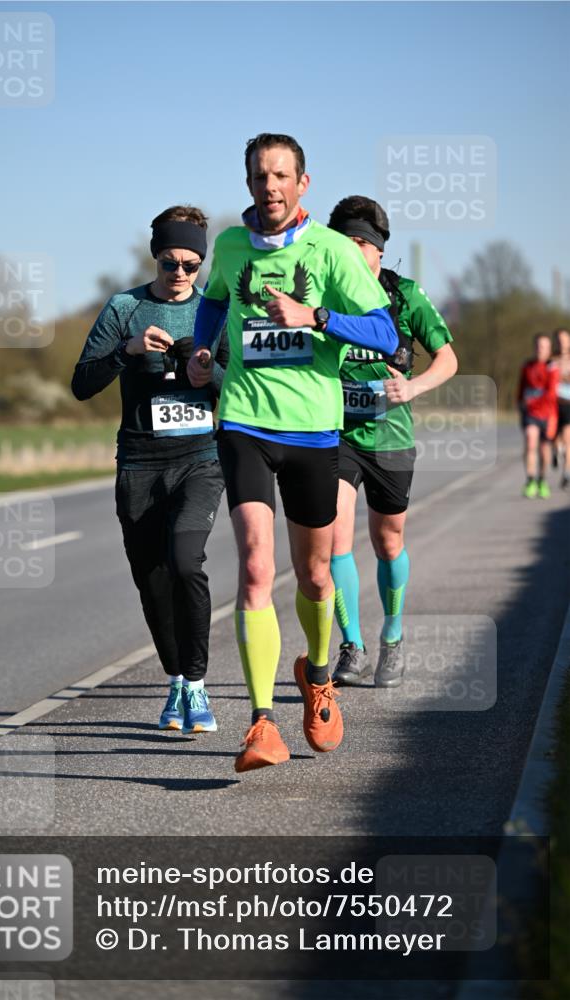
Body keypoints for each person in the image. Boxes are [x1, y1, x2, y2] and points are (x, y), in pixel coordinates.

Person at [187, 134, 399, 772]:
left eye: (281, 175)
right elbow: (215, 300)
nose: (270, 187)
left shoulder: (334, 252)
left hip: (313, 432)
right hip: (246, 422)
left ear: (303, 182)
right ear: (248, 183)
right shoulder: (228, 246)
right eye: (259, 177)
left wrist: (317, 318)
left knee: (313, 577)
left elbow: (385, 333)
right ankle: (260, 723)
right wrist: (203, 351)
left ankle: (318, 673)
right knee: (255, 567)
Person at [71, 205, 228, 734]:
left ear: (202, 263)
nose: (180, 273)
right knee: (152, 580)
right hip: (139, 461)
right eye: (169, 263)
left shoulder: (216, 311)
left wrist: (207, 371)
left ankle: (200, 685)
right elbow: (82, 382)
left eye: (190, 264)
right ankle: (177, 681)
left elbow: (242, 392)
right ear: (155, 258)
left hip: (200, 459)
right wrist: (128, 349)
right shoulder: (124, 308)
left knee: (186, 562)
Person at [326, 196, 457, 688]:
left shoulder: (404, 296)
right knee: (334, 538)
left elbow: (447, 359)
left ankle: (393, 637)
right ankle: (352, 646)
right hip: (336, 434)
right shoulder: (323, 295)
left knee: (388, 541)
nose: (355, 252)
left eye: (363, 242)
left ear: (380, 249)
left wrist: (414, 386)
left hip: (390, 435)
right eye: (345, 243)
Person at [517, 333, 559, 499]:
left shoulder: (552, 367)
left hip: (548, 414)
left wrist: (532, 401)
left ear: (549, 349)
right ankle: (530, 480)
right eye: (537, 346)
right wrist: (521, 404)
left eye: (543, 346)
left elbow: (551, 393)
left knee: (544, 449)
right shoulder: (527, 366)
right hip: (530, 414)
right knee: (530, 440)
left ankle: (542, 479)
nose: (540, 349)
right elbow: (521, 389)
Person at [552, 328, 570, 489]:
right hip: (553, 403)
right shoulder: (552, 359)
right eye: (559, 339)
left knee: (568, 436)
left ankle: (566, 473)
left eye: (564, 339)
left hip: (568, 403)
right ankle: (557, 451)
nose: (561, 342)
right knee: (554, 437)